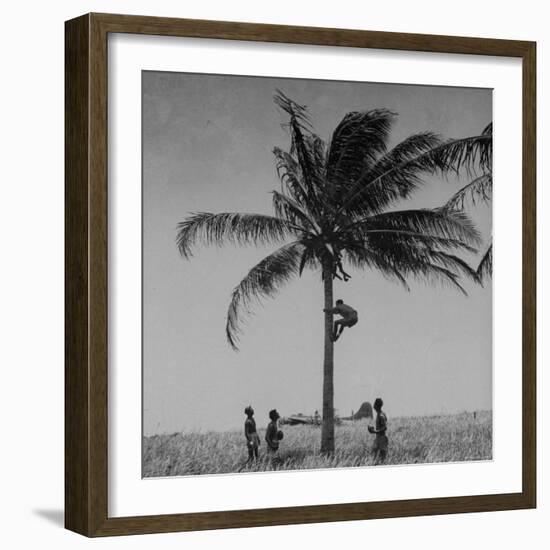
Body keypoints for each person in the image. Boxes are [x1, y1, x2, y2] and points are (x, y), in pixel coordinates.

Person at [368, 397, 388, 464]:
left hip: (381, 439)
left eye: (374, 404)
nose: (373, 406)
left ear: (376, 406)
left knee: (381, 458)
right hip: (379, 438)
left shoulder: (381, 415)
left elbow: (384, 428)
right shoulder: (381, 414)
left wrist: (375, 431)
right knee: (375, 455)